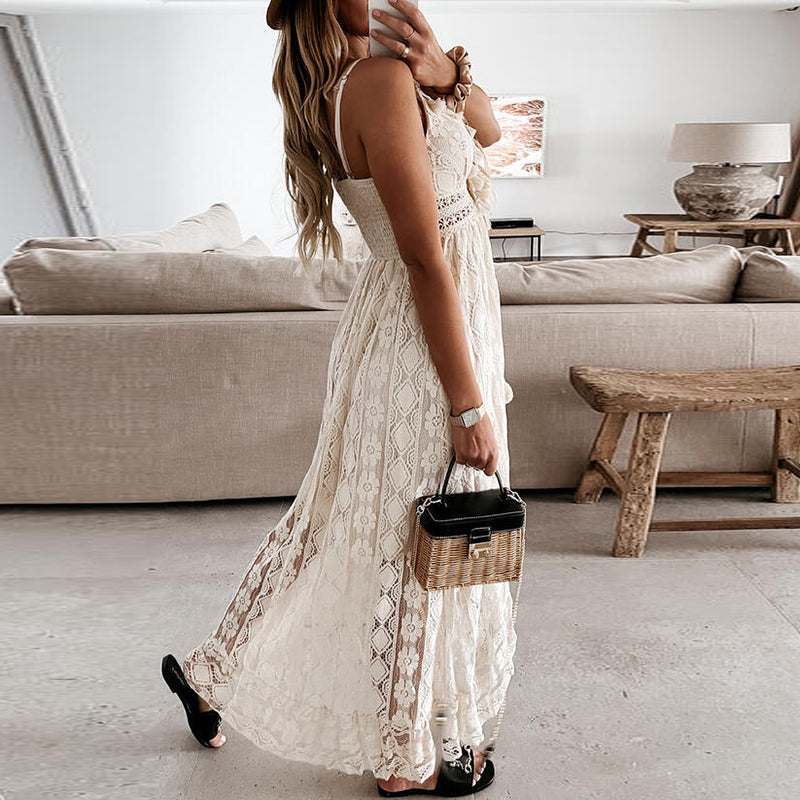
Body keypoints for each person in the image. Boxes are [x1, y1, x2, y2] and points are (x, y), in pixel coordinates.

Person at [161, 0, 519, 796]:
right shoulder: (377, 81)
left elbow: (494, 134)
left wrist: (449, 74)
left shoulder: (385, 75)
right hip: (423, 341)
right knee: (415, 540)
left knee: (331, 519)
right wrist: (467, 407)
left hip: (415, 328)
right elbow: (425, 257)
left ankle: (208, 675)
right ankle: (402, 760)